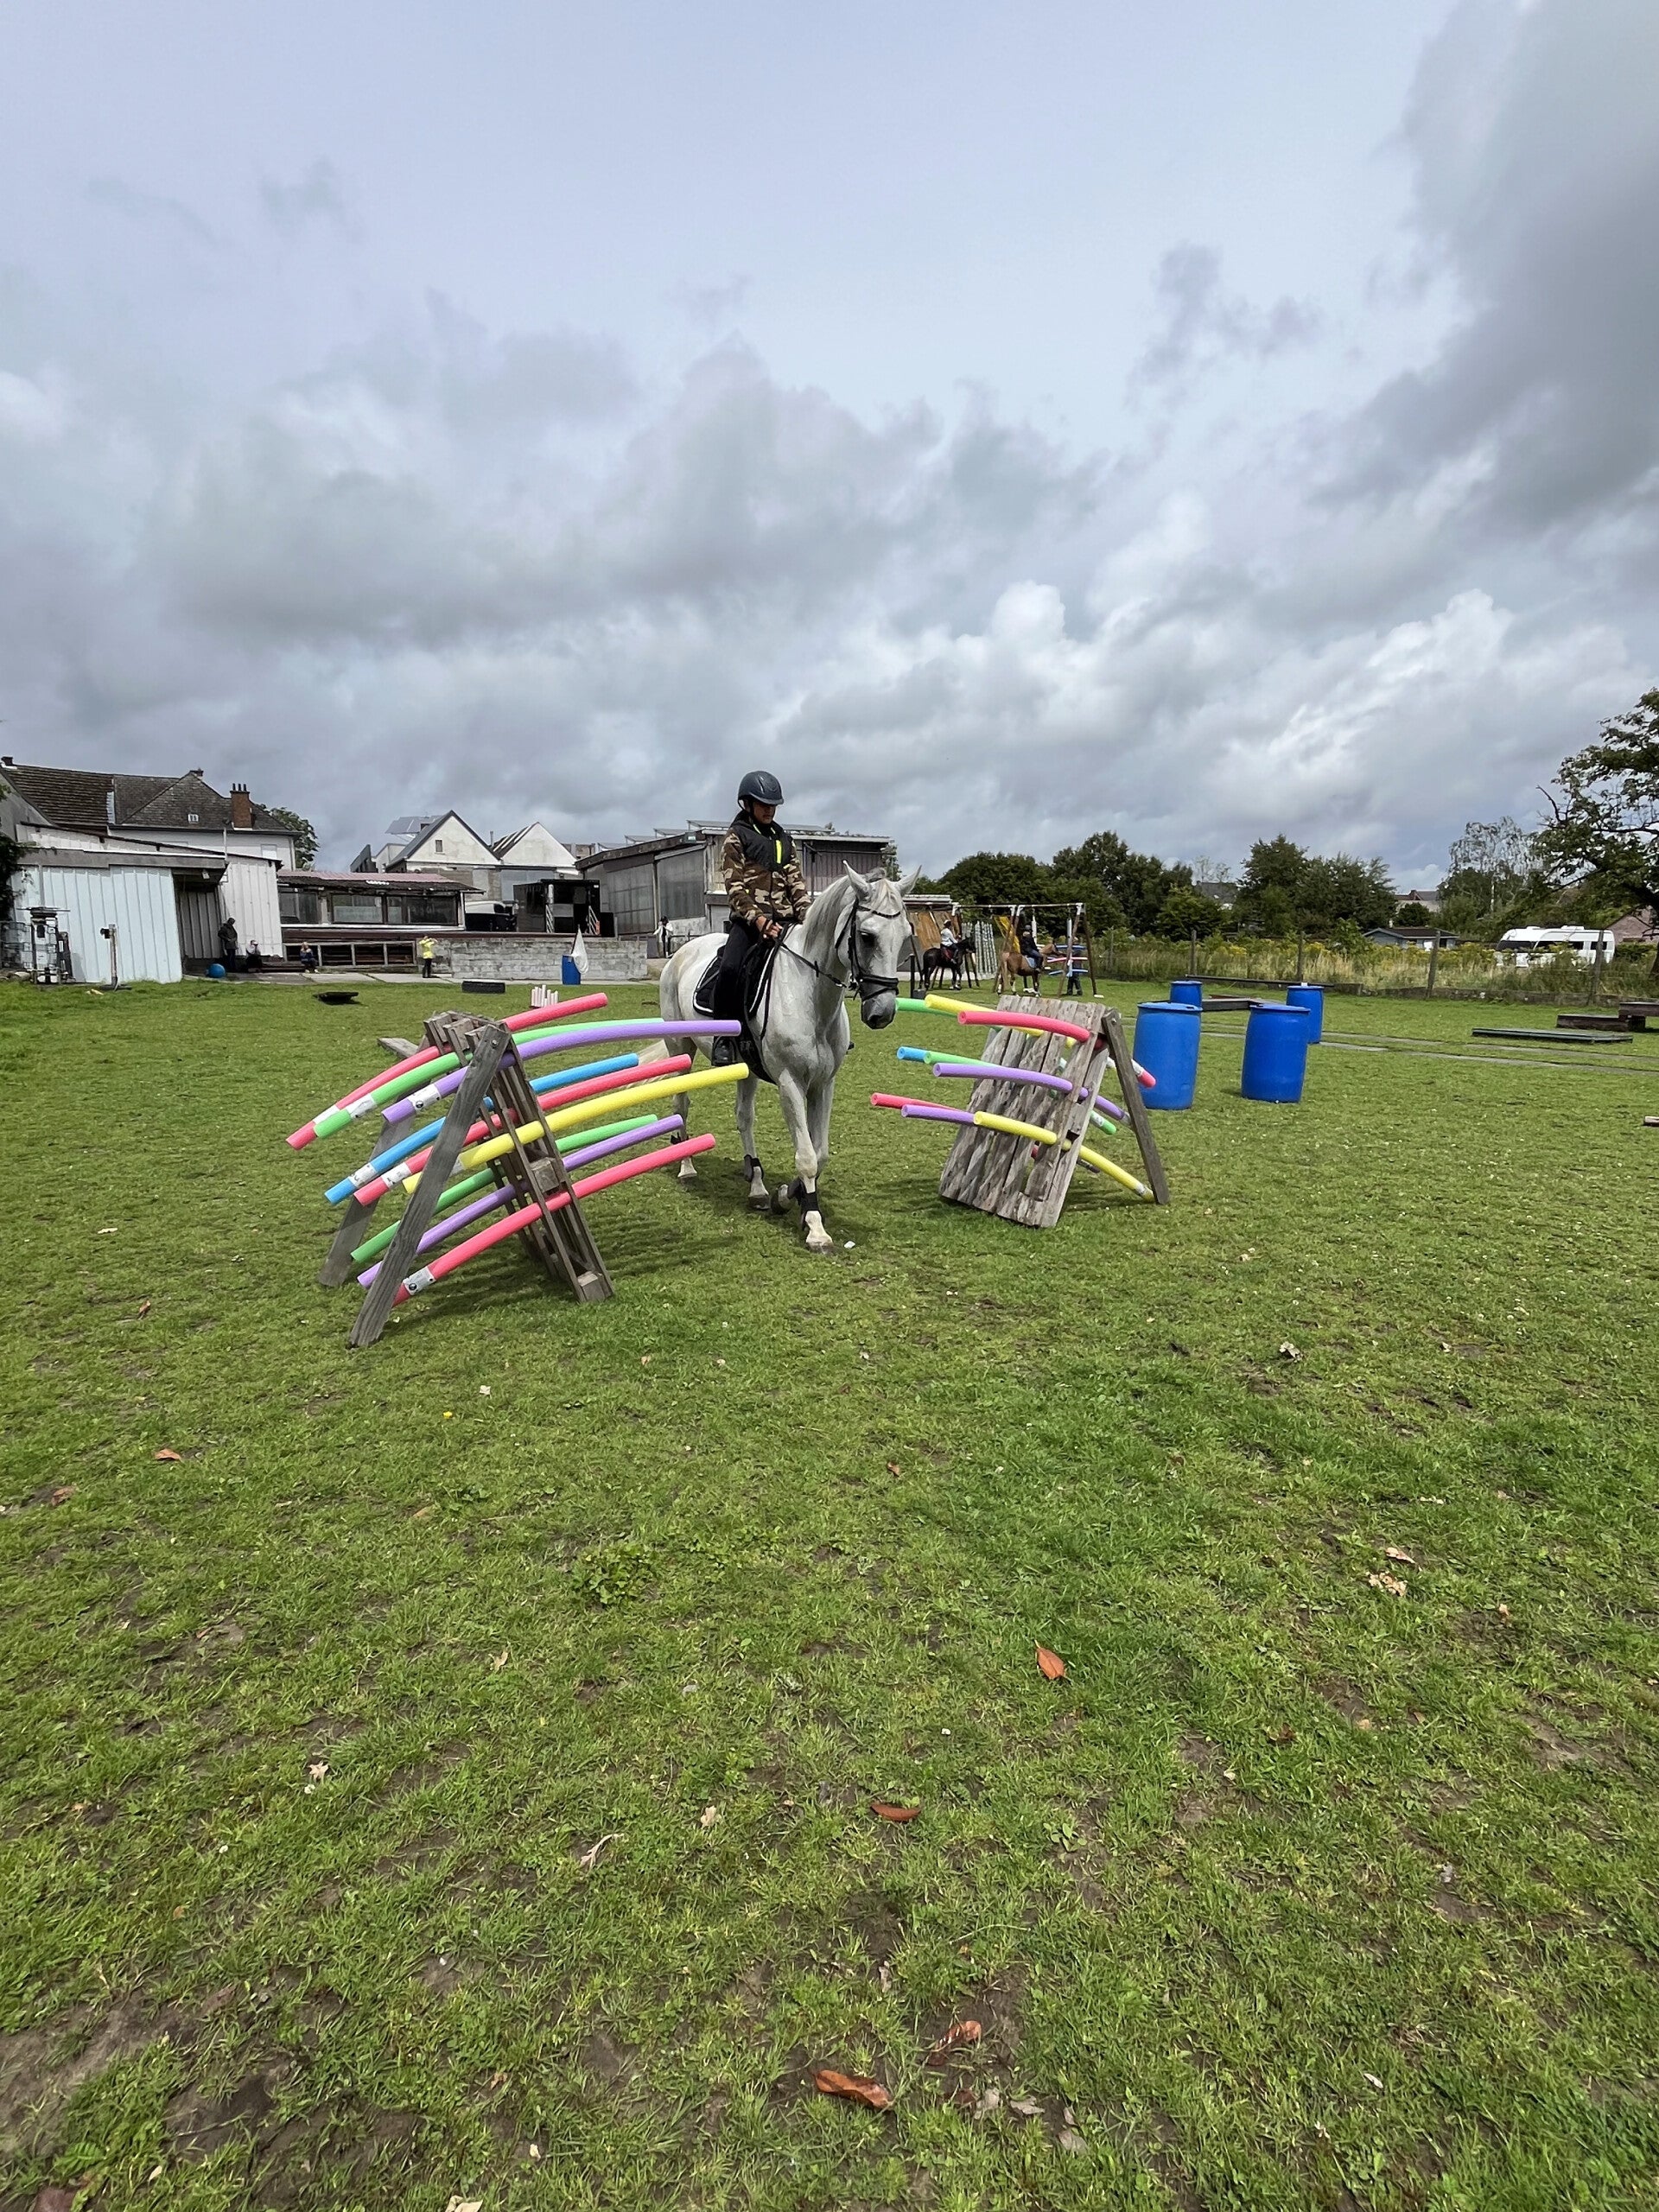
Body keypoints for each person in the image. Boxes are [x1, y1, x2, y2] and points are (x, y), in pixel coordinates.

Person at [708, 770, 810, 1065]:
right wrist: (759, 920)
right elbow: (735, 888)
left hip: (787, 922)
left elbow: (797, 884)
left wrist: (808, 917)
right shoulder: (735, 837)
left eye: (773, 805)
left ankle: (823, 1032)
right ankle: (723, 1036)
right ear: (747, 803)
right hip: (750, 923)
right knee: (730, 968)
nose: (769, 810)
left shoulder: (784, 839)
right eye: (763, 804)